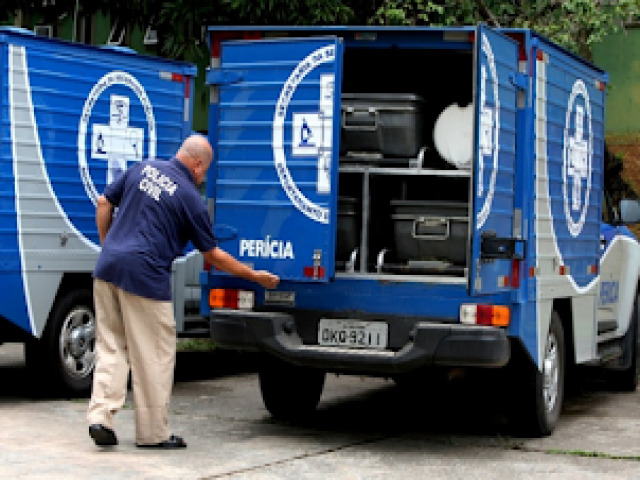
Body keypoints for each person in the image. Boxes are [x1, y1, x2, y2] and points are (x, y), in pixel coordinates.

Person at [87, 134, 279, 449]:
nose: (203, 177)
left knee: (111, 346)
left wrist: (109, 246)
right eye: (205, 171)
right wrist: (253, 275)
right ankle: (152, 434)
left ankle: (100, 417)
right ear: (198, 164)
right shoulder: (190, 198)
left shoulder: (143, 168)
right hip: (146, 277)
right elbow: (212, 255)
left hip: (108, 269)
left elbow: (104, 202)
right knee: (155, 354)